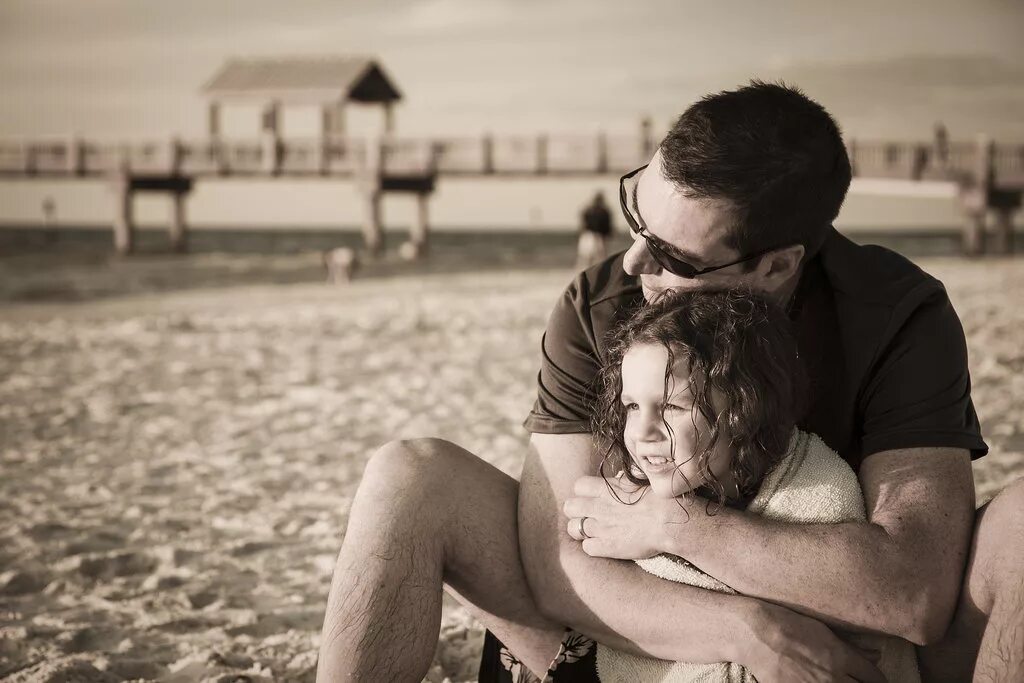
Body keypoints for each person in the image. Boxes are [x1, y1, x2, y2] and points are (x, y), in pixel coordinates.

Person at [316, 81, 1024, 682]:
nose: (631, 264)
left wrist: (672, 522)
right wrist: (745, 628)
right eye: (635, 214)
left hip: (854, 660)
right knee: (408, 475)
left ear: (777, 266)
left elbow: (914, 590)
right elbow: (553, 561)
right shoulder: (600, 303)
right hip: (634, 638)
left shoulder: (895, 314)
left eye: (669, 254)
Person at [582, 287, 918, 682]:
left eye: (672, 406)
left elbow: (844, 632)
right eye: (632, 406)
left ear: (744, 409)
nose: (643, 431)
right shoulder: (627, 497)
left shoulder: (814, 491)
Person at [576, 192, 612, 270]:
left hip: (587, 236)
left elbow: (583, 225)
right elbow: (607, 228)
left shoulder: (588, 210)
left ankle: (584, 275)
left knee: (585, 260)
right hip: (598, 237)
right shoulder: (603, 211)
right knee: (600, 260)